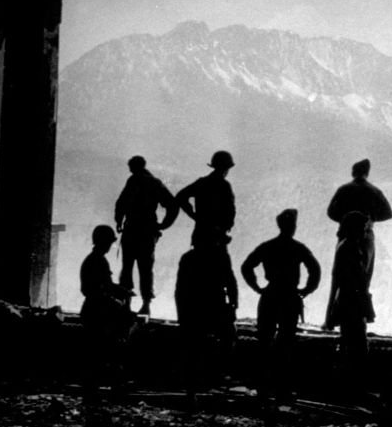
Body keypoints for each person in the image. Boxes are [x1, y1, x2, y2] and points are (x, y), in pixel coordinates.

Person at [241, 209, 321, 400]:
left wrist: (257, 288)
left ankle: (264, 387)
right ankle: (281, 388)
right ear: (292, 227)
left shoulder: (268, 246)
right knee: (285, 342)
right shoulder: (298, 248)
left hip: (271, 295)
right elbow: (315, 270)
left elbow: (246, 267)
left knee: (265, 341)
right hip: (289, 297)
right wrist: (306, 290)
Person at [175, 230, 239, 402]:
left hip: (198, 308)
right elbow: (231, 283)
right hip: (207, 307)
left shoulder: (190, 258)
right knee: (224, 338)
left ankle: (197, 386)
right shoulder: (219, 257)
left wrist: (181, 314)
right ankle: (211, 376)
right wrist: (233, 305)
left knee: (197, 347)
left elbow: (180, 289)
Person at [114, 155, 179, 315]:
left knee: (127, 267)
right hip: (147, 232)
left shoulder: (133, 181)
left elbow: (121, 203)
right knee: (145, 269)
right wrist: (163, 224)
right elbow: (172, 205)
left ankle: (127, 303)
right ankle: (146, 304)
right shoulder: (154, 183)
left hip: (132, 230)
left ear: (134, 167)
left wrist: (119, 220)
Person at [80, 225, 135, 400]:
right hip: (97, 312)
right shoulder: (98, 261)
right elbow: (97, 289)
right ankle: (98, 389)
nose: (110, 246)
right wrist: (118, 299)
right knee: (101, 351)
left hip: (93, 310)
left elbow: (105, 286)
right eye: (109, 243)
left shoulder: (94, 260)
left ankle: (93, 390)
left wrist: (121, 291)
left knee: (96, 352)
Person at [324, 211, 375, 379]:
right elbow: (343, 280)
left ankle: (350, 381)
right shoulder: (349, 248)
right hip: (352, 304)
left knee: (352, 344)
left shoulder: (348, 246)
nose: (364, 233)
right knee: (357, 346)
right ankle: (352, 382)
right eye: (362, 229)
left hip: (351, 303)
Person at [327, 159, 392, 278]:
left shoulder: (343, 189)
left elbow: (331, 212)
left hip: (345, 233)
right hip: (365, 235)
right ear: (366, 173)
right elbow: (388, 214)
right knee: (365, 273)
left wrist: (344, 220)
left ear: (353, 172)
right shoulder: (375, 191)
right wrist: (371, 218)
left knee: (339, 271)